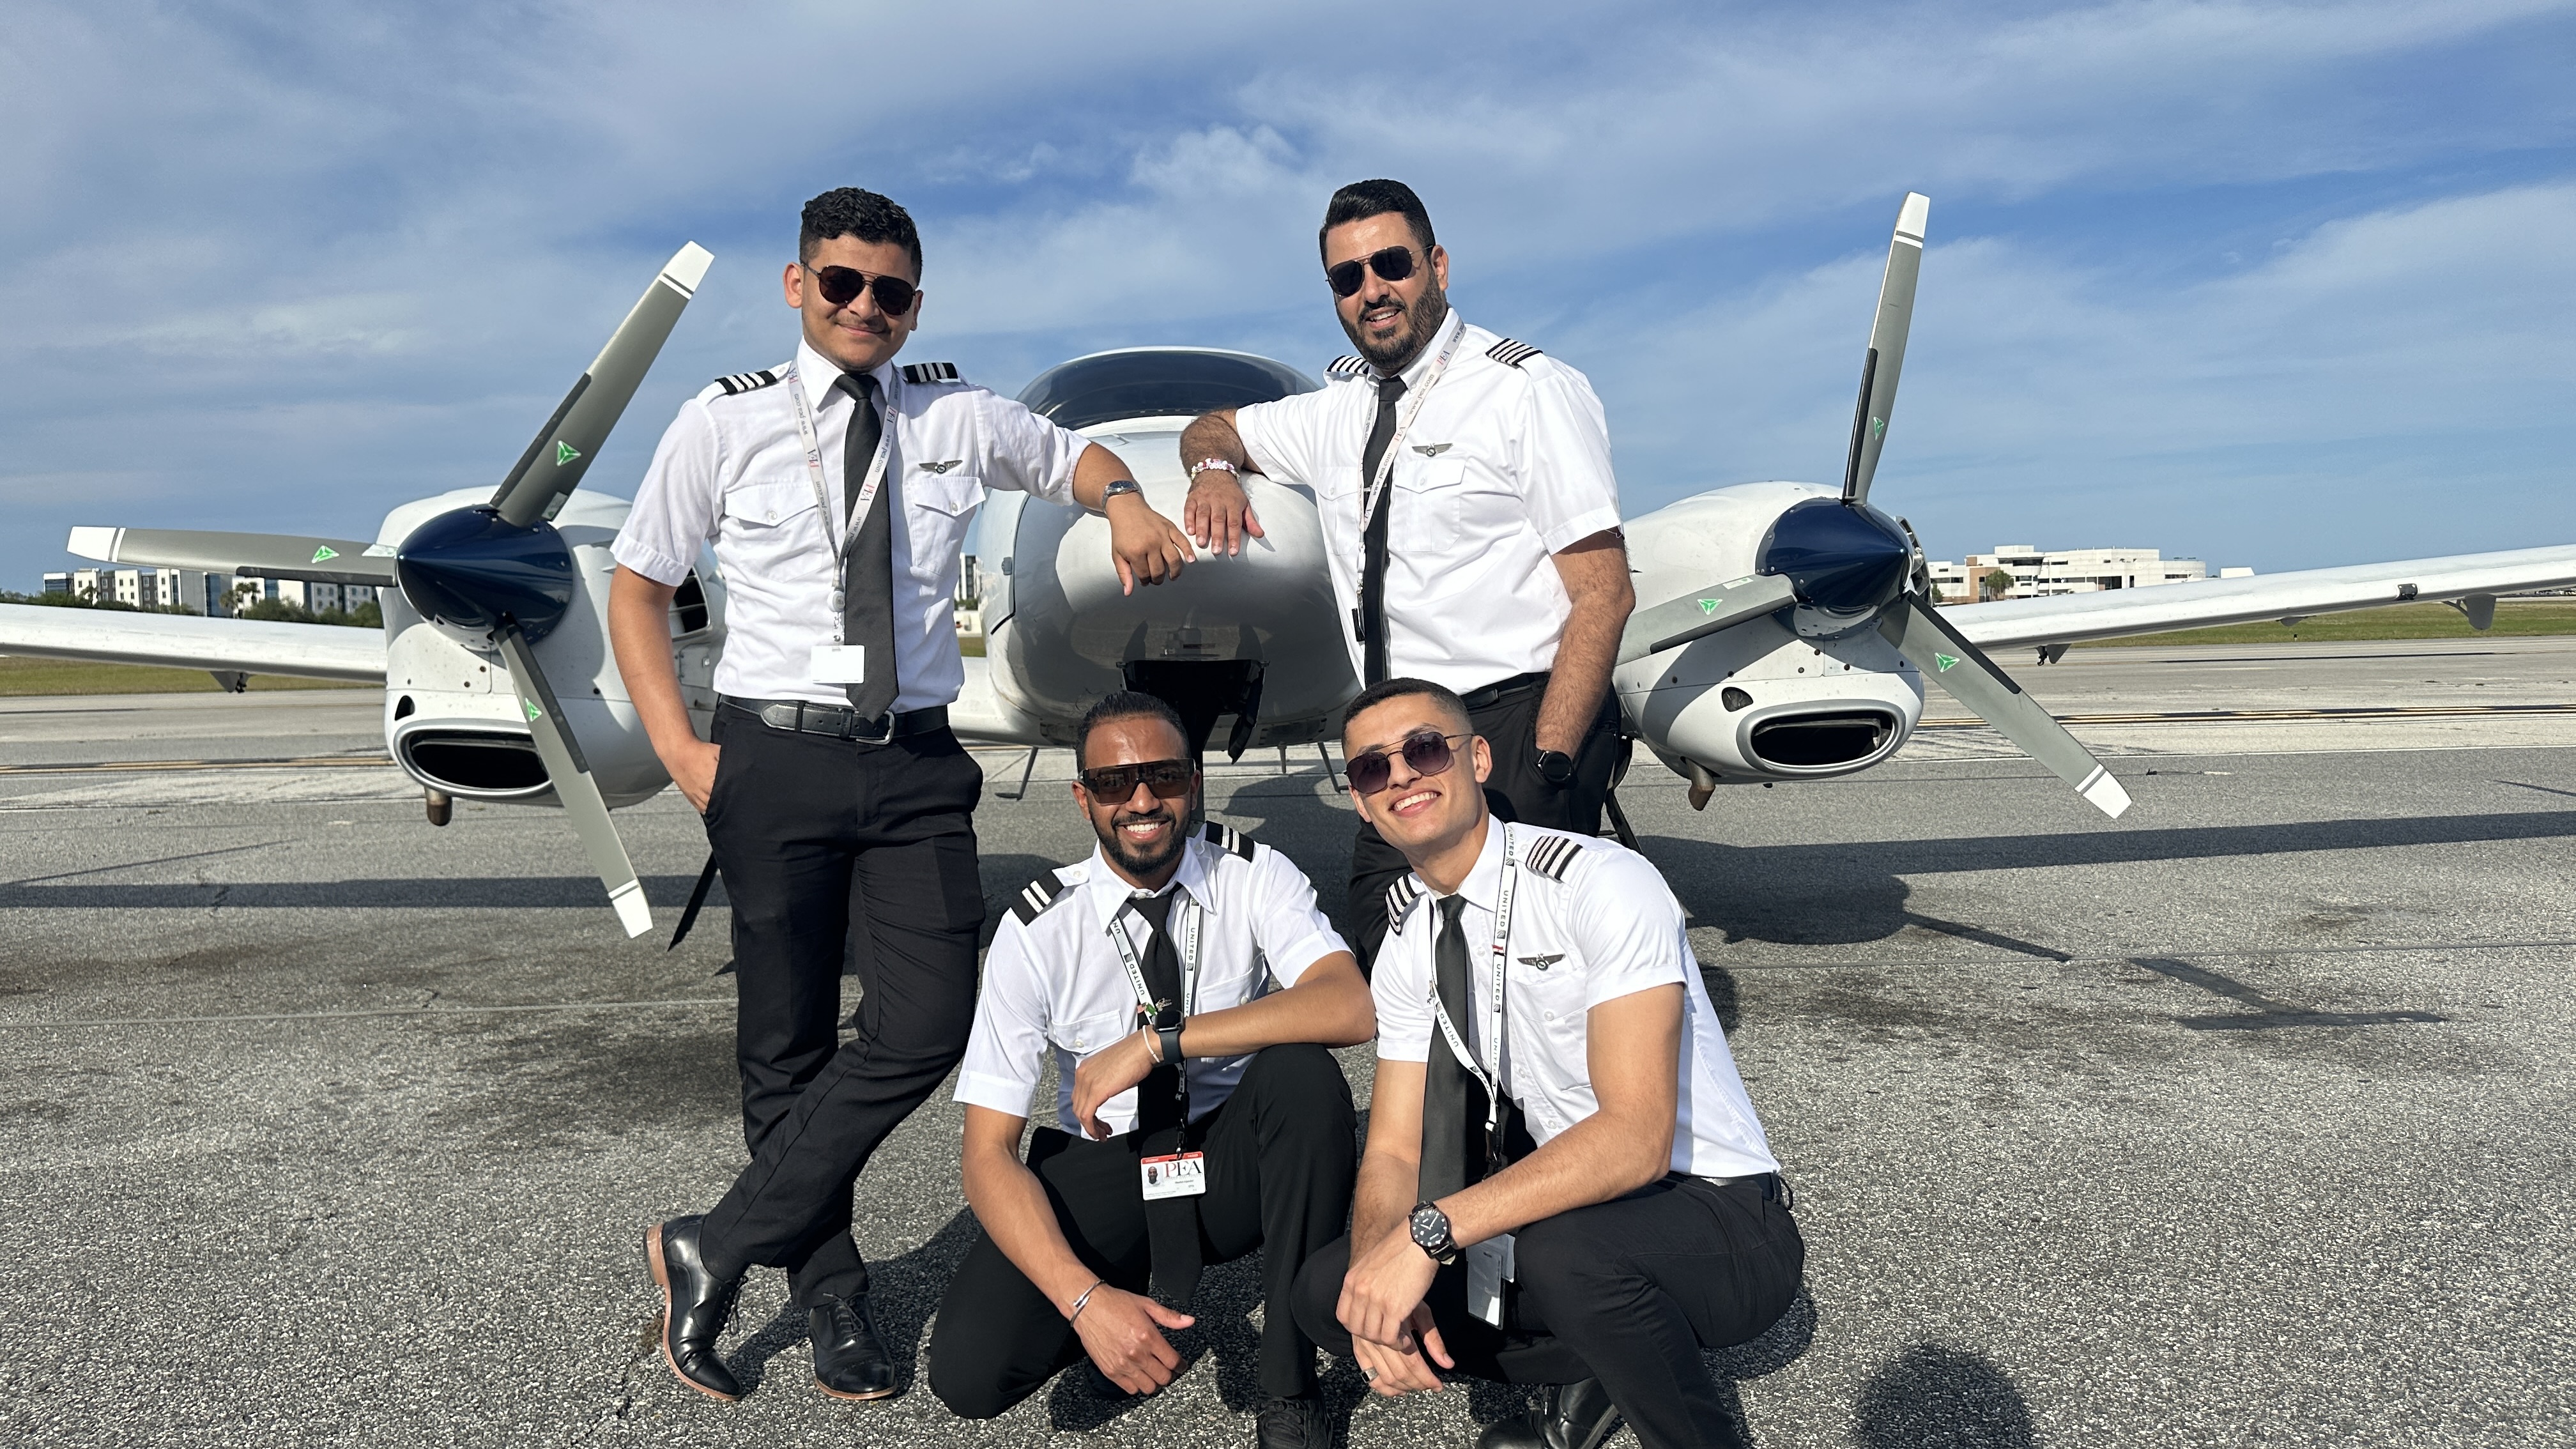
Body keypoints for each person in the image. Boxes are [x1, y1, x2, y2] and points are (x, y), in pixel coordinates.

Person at [607, 187, 1200, 1406]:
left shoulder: (955, 415)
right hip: (773, 756)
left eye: (888, 290)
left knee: (929, 1021)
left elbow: (1074, 458)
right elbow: (639, 584)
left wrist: (1126, 498)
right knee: (784, 1042)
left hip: (916, 763)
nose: (864, 305)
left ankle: (715, 1241)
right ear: (798, 285)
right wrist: (682, 753)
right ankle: (831, 1294)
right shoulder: (723, 422)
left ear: (914, 305)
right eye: (841, 282)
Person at [1288, 677, 1803, 1449]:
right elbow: (1394, 1147)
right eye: (1371, 768)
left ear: (1478, 759)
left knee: (1567, 1257)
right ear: (1361, 803)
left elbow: (1636, 1139)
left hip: (1717, 1215)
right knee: (1330, 1291)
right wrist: (1376, 1274)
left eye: (1424, 749)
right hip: (1576, 1211)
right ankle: (1604, 1360)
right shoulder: (1406, 938)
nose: (1400, 776)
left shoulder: (1598, 881)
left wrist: (1429, 1235)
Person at [1176, 178, 1636, 969]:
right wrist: (1215, 470)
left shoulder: (1525, 389)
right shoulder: (1334, 412)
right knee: (1391, 958)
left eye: (1391, 263)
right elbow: (1210, 427)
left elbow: (1604, 591)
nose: (1372, 290)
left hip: (1511, 723)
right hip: (1394, 737)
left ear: (1438, 266)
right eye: (1347, 277)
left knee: (1522, 970)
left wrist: (1548, 766)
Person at [926, 691, 1374, 1448]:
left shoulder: (1252, 875)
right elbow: (987, 1154)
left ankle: (1290, 1385)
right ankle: (1124, 1300)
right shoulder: (1036, 929)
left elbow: (1350, 1006)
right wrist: (1085, 1302)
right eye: (1113, 783)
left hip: (1230, 1155)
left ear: (1193, 783)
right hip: (1115, 1163)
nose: (1141, 800)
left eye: (1163, 776)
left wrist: (1159, 1043)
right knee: (970, 1375)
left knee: (1302, 1077)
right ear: (1083, 799)